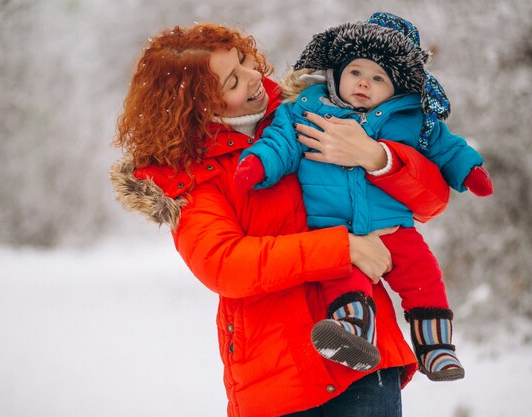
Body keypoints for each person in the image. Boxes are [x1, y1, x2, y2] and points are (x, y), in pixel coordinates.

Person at [110, 22, 452, 417]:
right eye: (233, 81)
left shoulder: (320, 110)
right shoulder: (193, 175)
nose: (256, 76)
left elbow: (431, 202)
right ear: (200, 105)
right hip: (276, 374)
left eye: (245, 60)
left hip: (366, 360)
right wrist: (341, 249)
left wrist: (377, 158)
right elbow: (224, 262)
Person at [233, 12, 493, 381]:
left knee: (424, 276)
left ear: (396, 89)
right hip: (335, 230)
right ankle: (354, 334)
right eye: (356, 72)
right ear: (338, 72)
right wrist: (257, 165)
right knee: (343, 278)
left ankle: (436, 349)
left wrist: (470, 171)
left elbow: (446, 147)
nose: (364, 84)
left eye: (378, 78)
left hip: (395, 228)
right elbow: (280, 143)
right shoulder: (304, 109)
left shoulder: (411, 120)